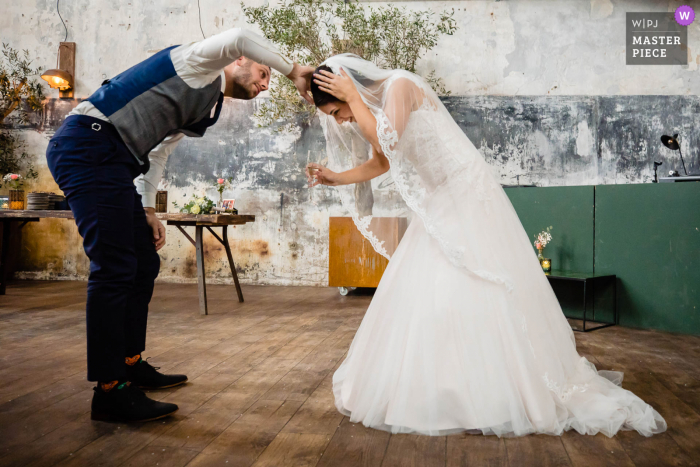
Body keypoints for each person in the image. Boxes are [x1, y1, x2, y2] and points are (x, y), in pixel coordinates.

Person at [305, 54, 667, 437]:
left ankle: (496, 390)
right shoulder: (369, 108)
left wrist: (355, 102)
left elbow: (387, 143)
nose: (341, 120)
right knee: (432, 285)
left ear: (349, 87)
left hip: (464, 190)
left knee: (474, 281)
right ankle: (446, 387)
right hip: (438, 198)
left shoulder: (400, 85)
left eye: (337, 110)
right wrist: (337, 178)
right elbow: (381, 161)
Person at [45, 28, 314, 423]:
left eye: (270, 79)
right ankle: (109, 391)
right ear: (238, 60)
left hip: (117, 160)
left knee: (143, 261)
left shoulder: (207, 105)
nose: (265, 83)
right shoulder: (195, 63)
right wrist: (292, 71)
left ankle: (129, 362)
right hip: (88, 144)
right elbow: (239, 35)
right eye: (263, 72)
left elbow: (156, 154)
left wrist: (148, 208)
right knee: (115, 266)